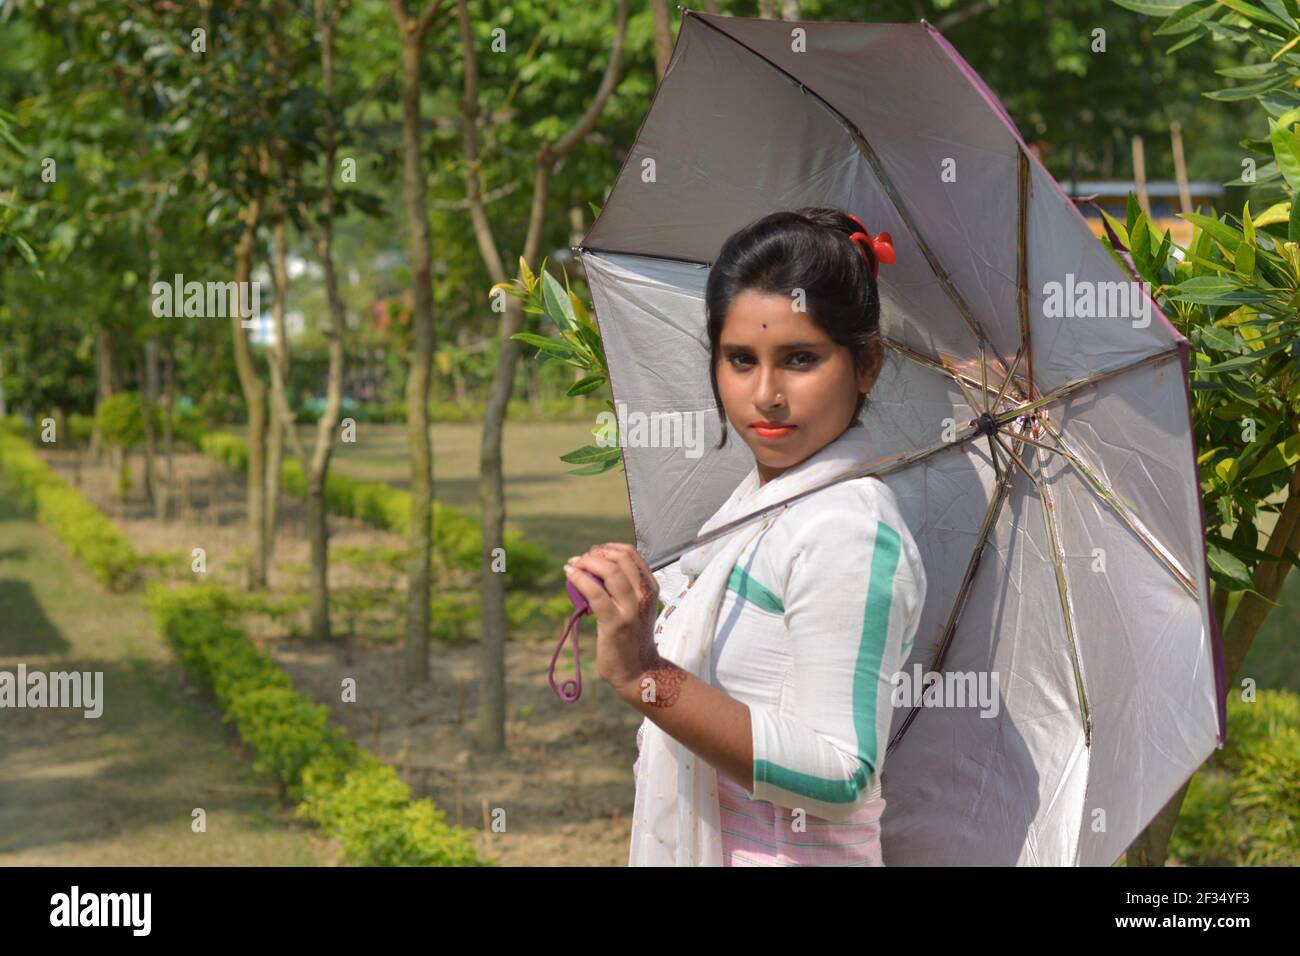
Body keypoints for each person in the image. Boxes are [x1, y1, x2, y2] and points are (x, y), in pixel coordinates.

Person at [564, 208, 927, 866]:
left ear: (866, 363)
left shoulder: (844, 528)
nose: (766, 395)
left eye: (799, 359)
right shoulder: (750, 514)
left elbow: (843, 773)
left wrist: (649, 677)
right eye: (740, 359)